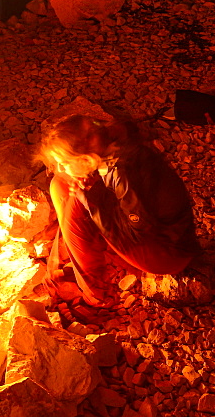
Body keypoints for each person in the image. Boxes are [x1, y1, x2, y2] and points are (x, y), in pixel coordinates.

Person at [40, 112, 200, 306]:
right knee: (60, 182)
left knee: (77, 202)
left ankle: (95, 293)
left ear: (86, 157)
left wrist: (89, 198)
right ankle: (69, 261)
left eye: (65, 162)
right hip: (156, 229)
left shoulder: (123, 172)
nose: (61, 167)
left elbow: (139, 231)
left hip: (167, 253)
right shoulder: (111, 144)